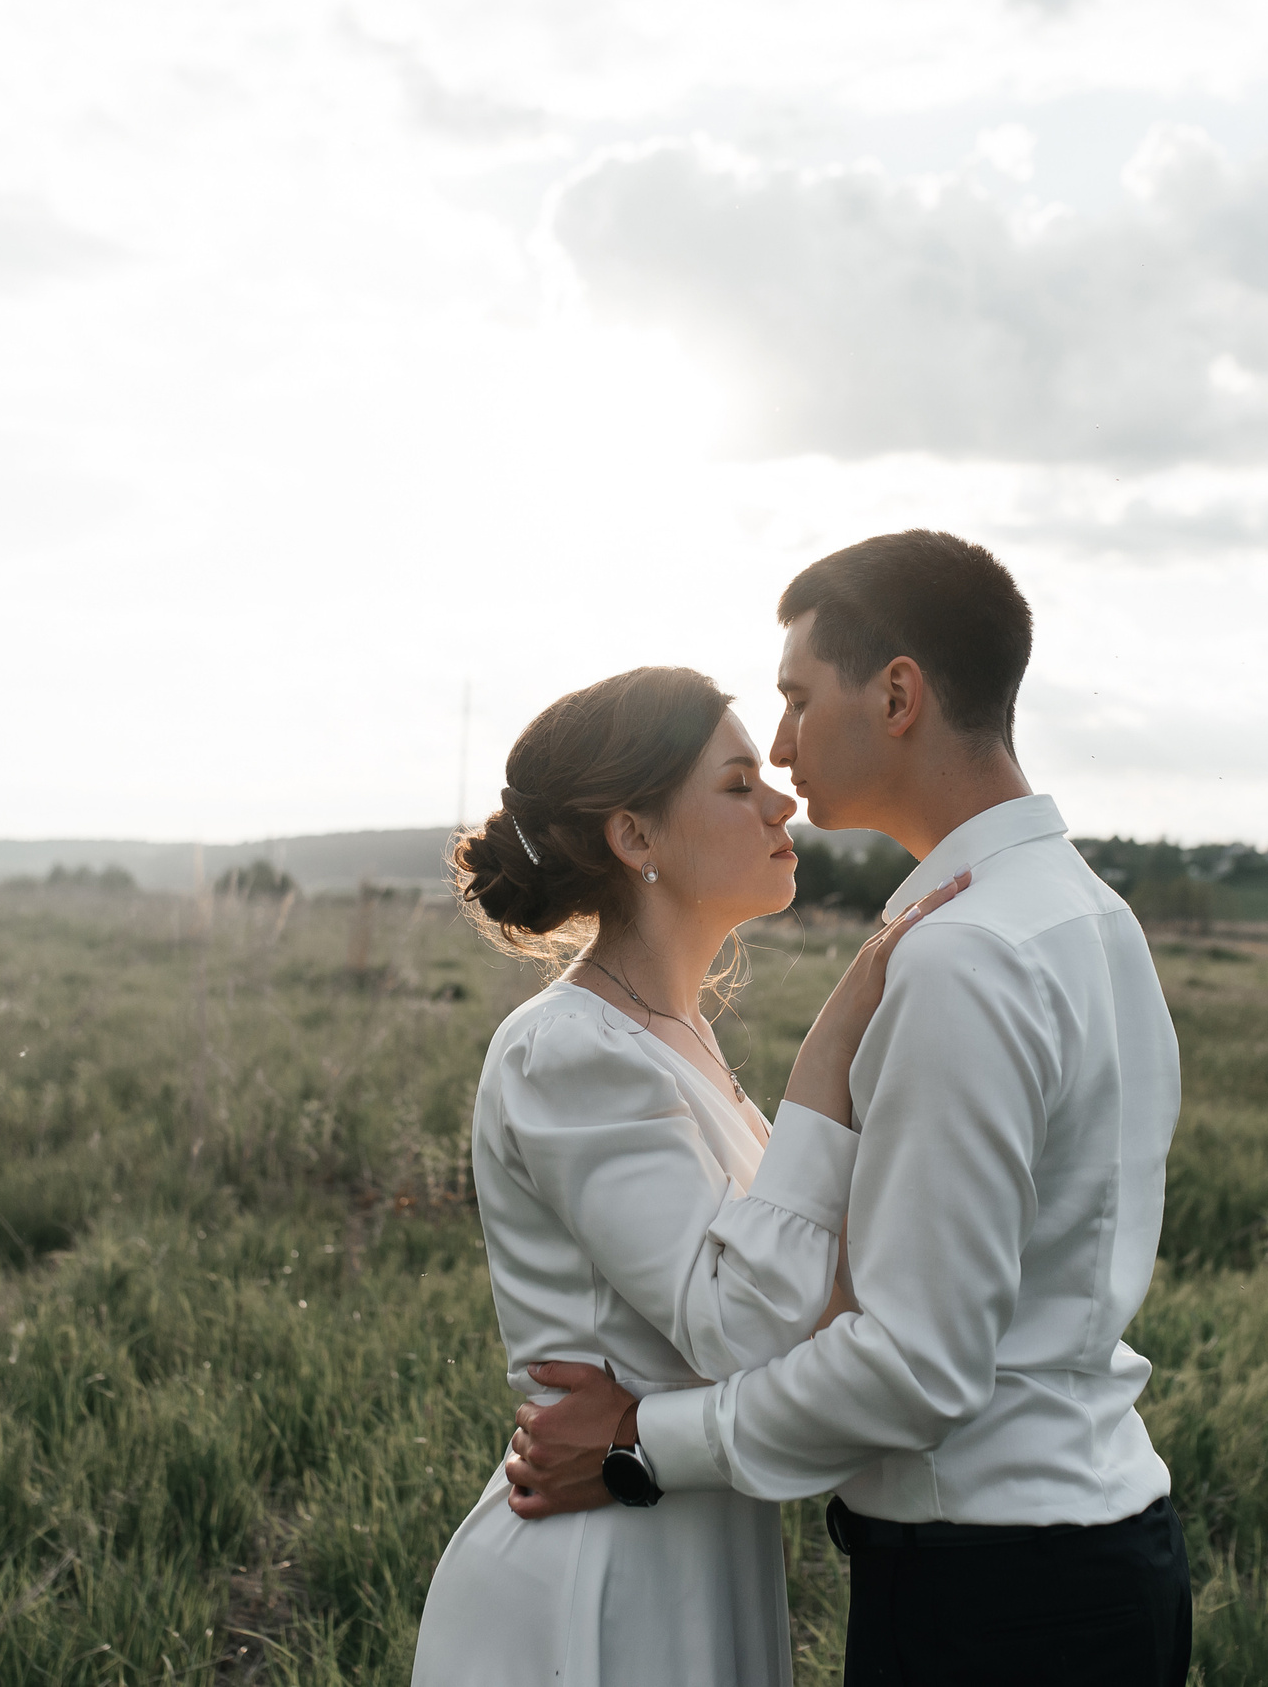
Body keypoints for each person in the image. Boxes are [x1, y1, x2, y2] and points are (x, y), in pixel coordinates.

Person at [508, 531, 1192, 1686]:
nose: (782, 747)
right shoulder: (1088, 914)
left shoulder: (964, 952)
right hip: (1098, 1553)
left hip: (994, 1599)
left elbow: (915, 1364)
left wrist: (637, 1439)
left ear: (897, 694)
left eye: (795, 698)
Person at [408, 664, 971, 1687]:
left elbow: (807, 1298)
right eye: (737, 783)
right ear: (636, 836)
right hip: (599, 1581)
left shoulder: (674, 1036)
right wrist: (831, 1047)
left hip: (692, 1549)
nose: (781, 802)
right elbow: (746, 1327)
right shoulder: (567, 1049)